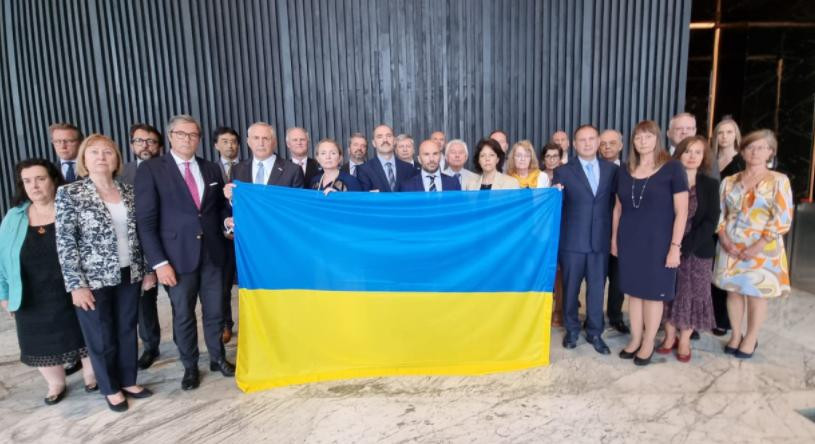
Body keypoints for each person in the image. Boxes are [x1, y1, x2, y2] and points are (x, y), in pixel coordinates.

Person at [135, 114, 235, 391]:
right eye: (182, 134)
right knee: (183, 314)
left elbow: (218, 209)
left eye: (193, 135)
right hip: (176, 258)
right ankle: (190, 365)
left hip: (213, 254)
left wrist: (228, 219)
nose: (188, 139)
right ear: (170, 137)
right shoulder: (152, 169)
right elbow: (145, 222)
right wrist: (159, 263)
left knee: (215, 312)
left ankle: (218, 358)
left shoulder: (212, 169)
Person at [55, 135, 154, 412]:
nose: (101, 157)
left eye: (107, 152)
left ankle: (127, 379)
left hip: (128, 273)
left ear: (116, 159)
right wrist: (76, 285)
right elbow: (65, 243)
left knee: (126, 328)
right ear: (84, 159)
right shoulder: (70, 193)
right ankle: (110, 387)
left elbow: (140, 235)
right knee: (100, 334)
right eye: (94, 152)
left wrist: (146, 270)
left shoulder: (129, 192)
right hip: (92, 279)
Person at [0, 159, 97, 406]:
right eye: (27, 181)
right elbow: (1, 259)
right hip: (30, 293)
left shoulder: (71, 208)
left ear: (53, 180)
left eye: (40, 179)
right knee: (38, 339)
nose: (34, 186)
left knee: (82, 331)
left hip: (72, 288)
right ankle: (56, 383)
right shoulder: (14, 217)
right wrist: (4, 295)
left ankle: (90, 374)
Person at [613, 120, 689, 366]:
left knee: (653, 295)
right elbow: (618, 208)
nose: (642, 141)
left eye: (647, 136)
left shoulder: (673, 168)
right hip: (630, 240)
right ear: (632, 142)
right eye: (638, 137)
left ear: (657, 138)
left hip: (659, 243)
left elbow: (682, 212)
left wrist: (675, 247)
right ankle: (635, 339)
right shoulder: (625, 170)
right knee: (634, 294)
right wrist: (614, 239)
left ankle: (648, 342)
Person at [714, 130, 793, 359]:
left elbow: (782, 218)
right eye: (750, 147)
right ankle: (736, 334)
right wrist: (725, 240)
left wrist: (756, 247)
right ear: (743, 150)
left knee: (756, 294)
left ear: (770, 151)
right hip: (731, 246)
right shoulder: (729, 181)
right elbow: (719, 214)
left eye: (761, 147)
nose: (755, 152)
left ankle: (751, 337)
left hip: (763, 248)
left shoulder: (779, 180)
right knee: (734, 292)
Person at [553, 125, 618, 355]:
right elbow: (556, 205)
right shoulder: (563, 171)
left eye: (592, 139)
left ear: (598, 141)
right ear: (574, 143)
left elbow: (615, 205)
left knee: (597, 290)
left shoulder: (612, 170)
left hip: (600, 241)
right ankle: (571, 330)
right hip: (572, 242)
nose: (588, 143)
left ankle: (594, 332)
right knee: (570, 289)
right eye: (582, 140)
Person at [656, 136, 719, 362]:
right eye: (687, 151)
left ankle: (684, 340)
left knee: (694, 295)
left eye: (697, 152)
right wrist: (673, 245)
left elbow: (711, 221)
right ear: (679, 154)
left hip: (698, 249)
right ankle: (669, 335)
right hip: (668, 246)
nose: (692, 156)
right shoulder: (667, 180)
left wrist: (685, 246)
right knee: (670, 293)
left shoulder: (710, 185)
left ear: (704, 158)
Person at [118, 123, 164, 370]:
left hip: (170, 246)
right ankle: (150, 346)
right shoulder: (121, 174)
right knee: (145, 302)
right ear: (132, 144)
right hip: (136, 248)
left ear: (160, 145)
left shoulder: (170, 169)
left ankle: (184, 343)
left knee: (180, 301)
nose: (146, 146)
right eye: (140, 141)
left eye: (151, 141)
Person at [709, 118, 743, 335]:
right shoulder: (710, 159)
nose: (724, 137)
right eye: (720, 132)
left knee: (726, 272)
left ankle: (724, 321)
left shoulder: (741, 161)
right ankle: (711, 315)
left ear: (736, 135)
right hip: (710, 220)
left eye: (729, 132)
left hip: (730, 223)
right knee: (711, 271)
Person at [212, 126, 240, 344]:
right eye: (224, 141)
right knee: (222, 285)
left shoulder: (245, 169)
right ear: (216, 145)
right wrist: (224, 223)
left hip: (248, 236)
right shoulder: (210, 170)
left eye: (233, 141)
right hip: (221, 236)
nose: (229, 145)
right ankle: (225, 325)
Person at [597, 129, 627, 333]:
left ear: (621, 146)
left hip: (623, 234)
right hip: (597, 233)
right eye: (604, 143)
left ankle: (615, 315)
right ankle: (594, 316)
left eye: (612, 143)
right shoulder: (591, 169)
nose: (607, 147)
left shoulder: (629, 170)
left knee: (618, 279)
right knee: (596, 279)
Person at [228, 122, 304, 191]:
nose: (261, 143)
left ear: (274, 142)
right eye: (256, 138)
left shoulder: (293, 171)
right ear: (248, 142)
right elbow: (234, 203)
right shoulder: (237, 170)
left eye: (265, 138)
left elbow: (298, 204)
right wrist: (231, 199)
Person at [357, 124, 417, 192]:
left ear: (394, 141)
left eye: (388, 136)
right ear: (374, 143)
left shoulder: (408, 168)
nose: (385, 140)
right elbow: (365, 199)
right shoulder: (364, 170)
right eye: (380, 137)